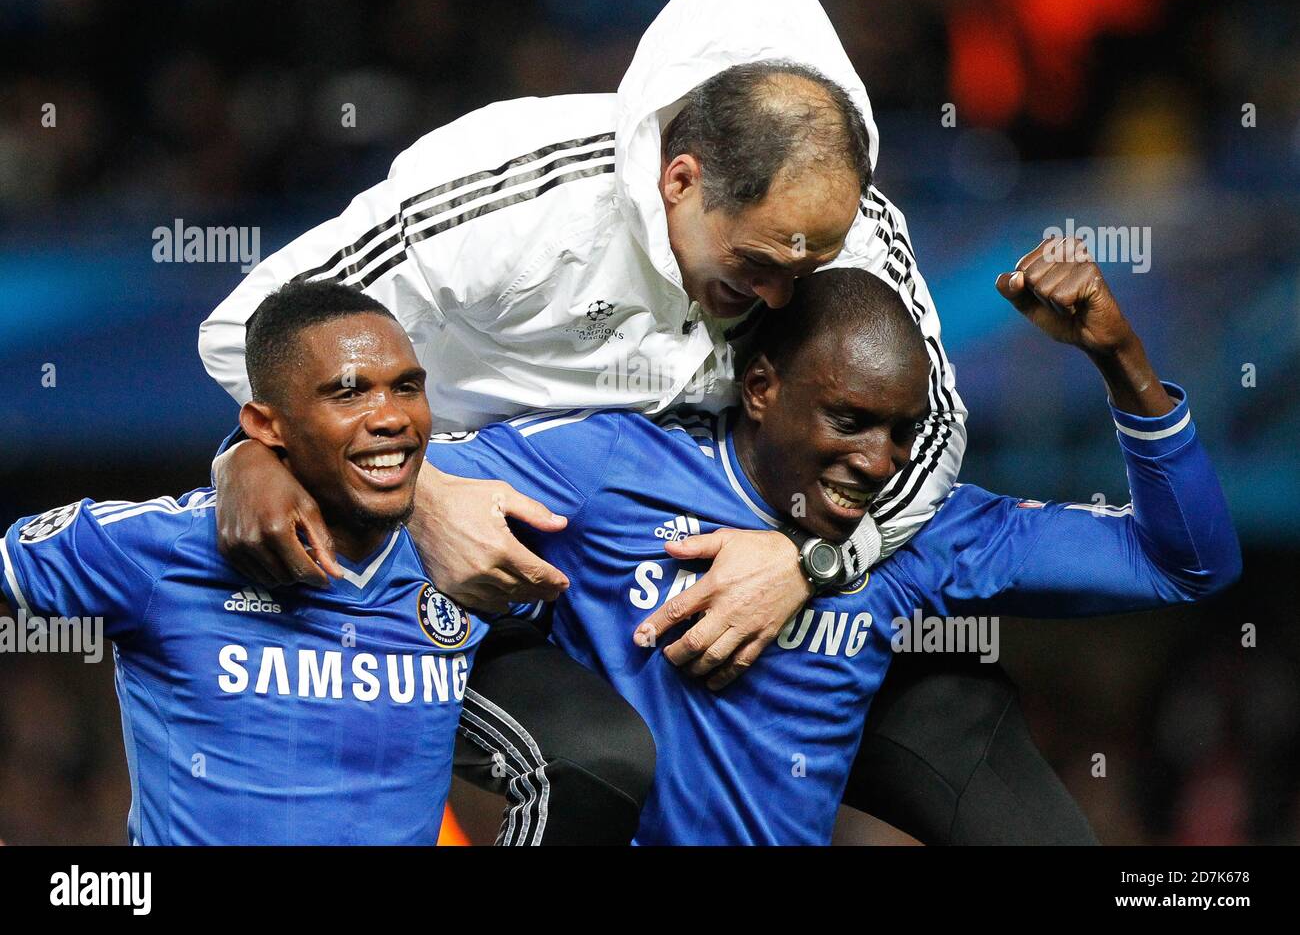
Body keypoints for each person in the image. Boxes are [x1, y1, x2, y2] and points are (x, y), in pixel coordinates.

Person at [197, 0, 1083, 845]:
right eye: (756, 267)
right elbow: (250, 328)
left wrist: (807, 561)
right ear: (681, 180)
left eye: (805, 272)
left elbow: (935, 433)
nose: (782, 303)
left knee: (986, 766)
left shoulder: (851, 234)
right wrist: (417, 495)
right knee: (592, 760)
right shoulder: (515, 193)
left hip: (723, 569)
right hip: (491, 571)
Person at [429, 243, 1240, 843]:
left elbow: (1185, 563)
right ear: (760, 388)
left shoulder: (921, 536)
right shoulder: (611, 465)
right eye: (848, 420)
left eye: (902, 432)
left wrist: (1119, 357)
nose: (878, 461)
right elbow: (400, 486)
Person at [0, 283, 485, 844]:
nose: (391, 417)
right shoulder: (160, 549)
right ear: (266, 425)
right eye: (348, 395)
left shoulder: (463, 548)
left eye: (406, 388)